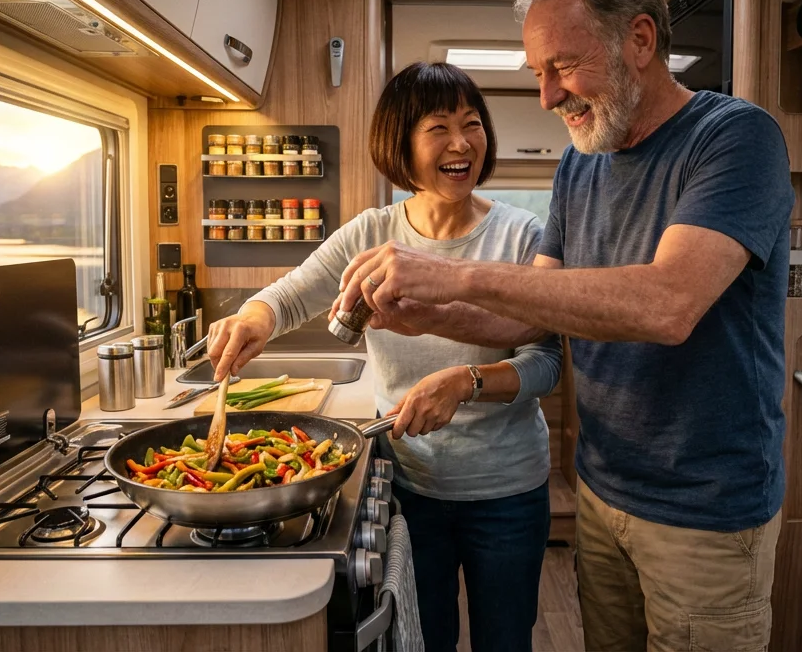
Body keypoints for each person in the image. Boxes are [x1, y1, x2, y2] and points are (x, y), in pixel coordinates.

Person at [333, 0, 794, 652]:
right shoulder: (582, 162)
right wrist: (423, 313)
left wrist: (454, 276)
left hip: (705, 509)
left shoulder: (734, 138)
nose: (548, 97)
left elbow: (667, 304)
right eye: (538, 74)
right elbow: (530, 311)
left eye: (564, 66)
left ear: (640, 40)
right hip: (603, 493)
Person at [205, 61, 562, 652]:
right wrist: (252, 318)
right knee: (424, 637)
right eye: (439, 128)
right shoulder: (371, 233)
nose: (461, 143)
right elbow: (290, 295)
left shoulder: (522, 236)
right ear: (400, 143)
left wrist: (466, 381)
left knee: (506, 640)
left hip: (507, 491)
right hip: (408, 486)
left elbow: (546, 363)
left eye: (472, 124)